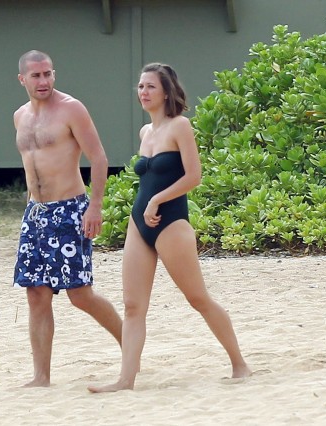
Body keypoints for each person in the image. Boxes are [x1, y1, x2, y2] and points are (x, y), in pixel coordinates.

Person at [88, 63, 251, 393]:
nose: (143, 92)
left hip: (171, 223)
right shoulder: (145, 133)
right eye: (140, 86)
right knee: (133, 306)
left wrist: (157, 200)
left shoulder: (181, 126)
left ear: (166, 92)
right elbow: (148, 177)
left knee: (197, 298)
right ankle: (126, 379)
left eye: (150, 87)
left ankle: (240, 363)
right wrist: (145, 206)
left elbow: (193, 176)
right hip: (139, 224)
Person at [12, 50, 123, 387]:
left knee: (80, 294)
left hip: (69, 209)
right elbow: (31, 165)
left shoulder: (71, 109)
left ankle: (131, 345)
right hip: (36, 213)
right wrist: (29, 206)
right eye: (36, 76)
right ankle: (41, 376)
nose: (43, 81)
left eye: (47, 74)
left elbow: (99, 158)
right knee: (36, 294)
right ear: (22, 79)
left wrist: (95, 206)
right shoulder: (20, 116)